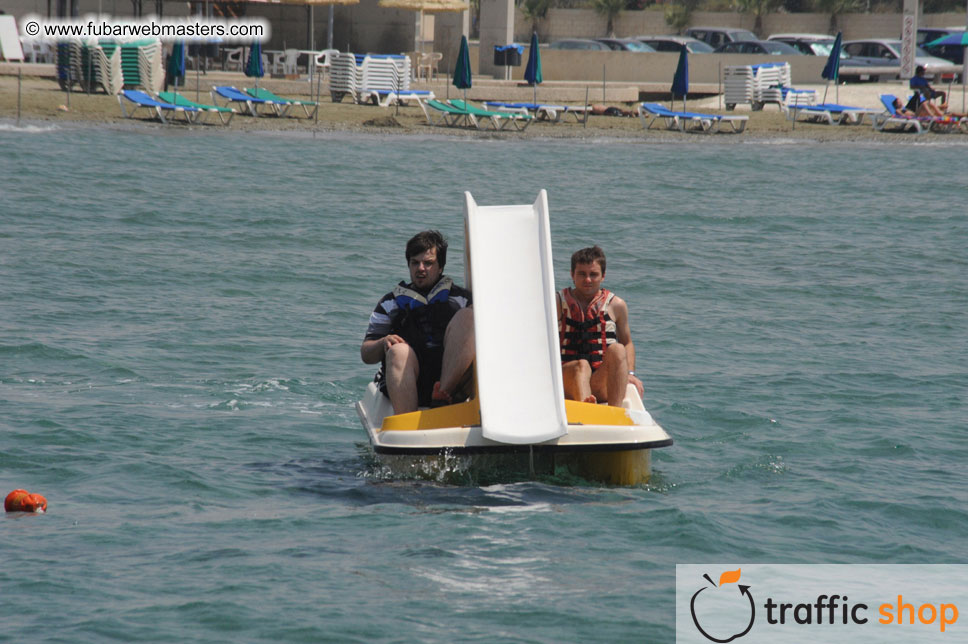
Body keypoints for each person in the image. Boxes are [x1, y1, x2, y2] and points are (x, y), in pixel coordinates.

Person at [361, 231, 474, 415]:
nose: (421, 268)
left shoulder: (461, 299)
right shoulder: (390, 303)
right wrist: (383, 342)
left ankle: (441, 397)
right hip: (407, 381)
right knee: (398, 350)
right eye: (415, 262)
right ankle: (407, 425)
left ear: (440, 267)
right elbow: (366, 354)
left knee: (468, 318)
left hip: (452, 383)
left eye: (428, 263)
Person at [557, 246, 644, 407]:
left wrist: (630, 373)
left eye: (593, 274)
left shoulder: (616, 305)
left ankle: (615, 411)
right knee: (581, 365)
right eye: (582, 274)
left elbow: (627, 343)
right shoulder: (557, 303)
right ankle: (587, 409)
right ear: (572, 274)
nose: (588, 280)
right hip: (567, 380)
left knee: (617, 349)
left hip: (600, 381)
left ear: (603, 276)